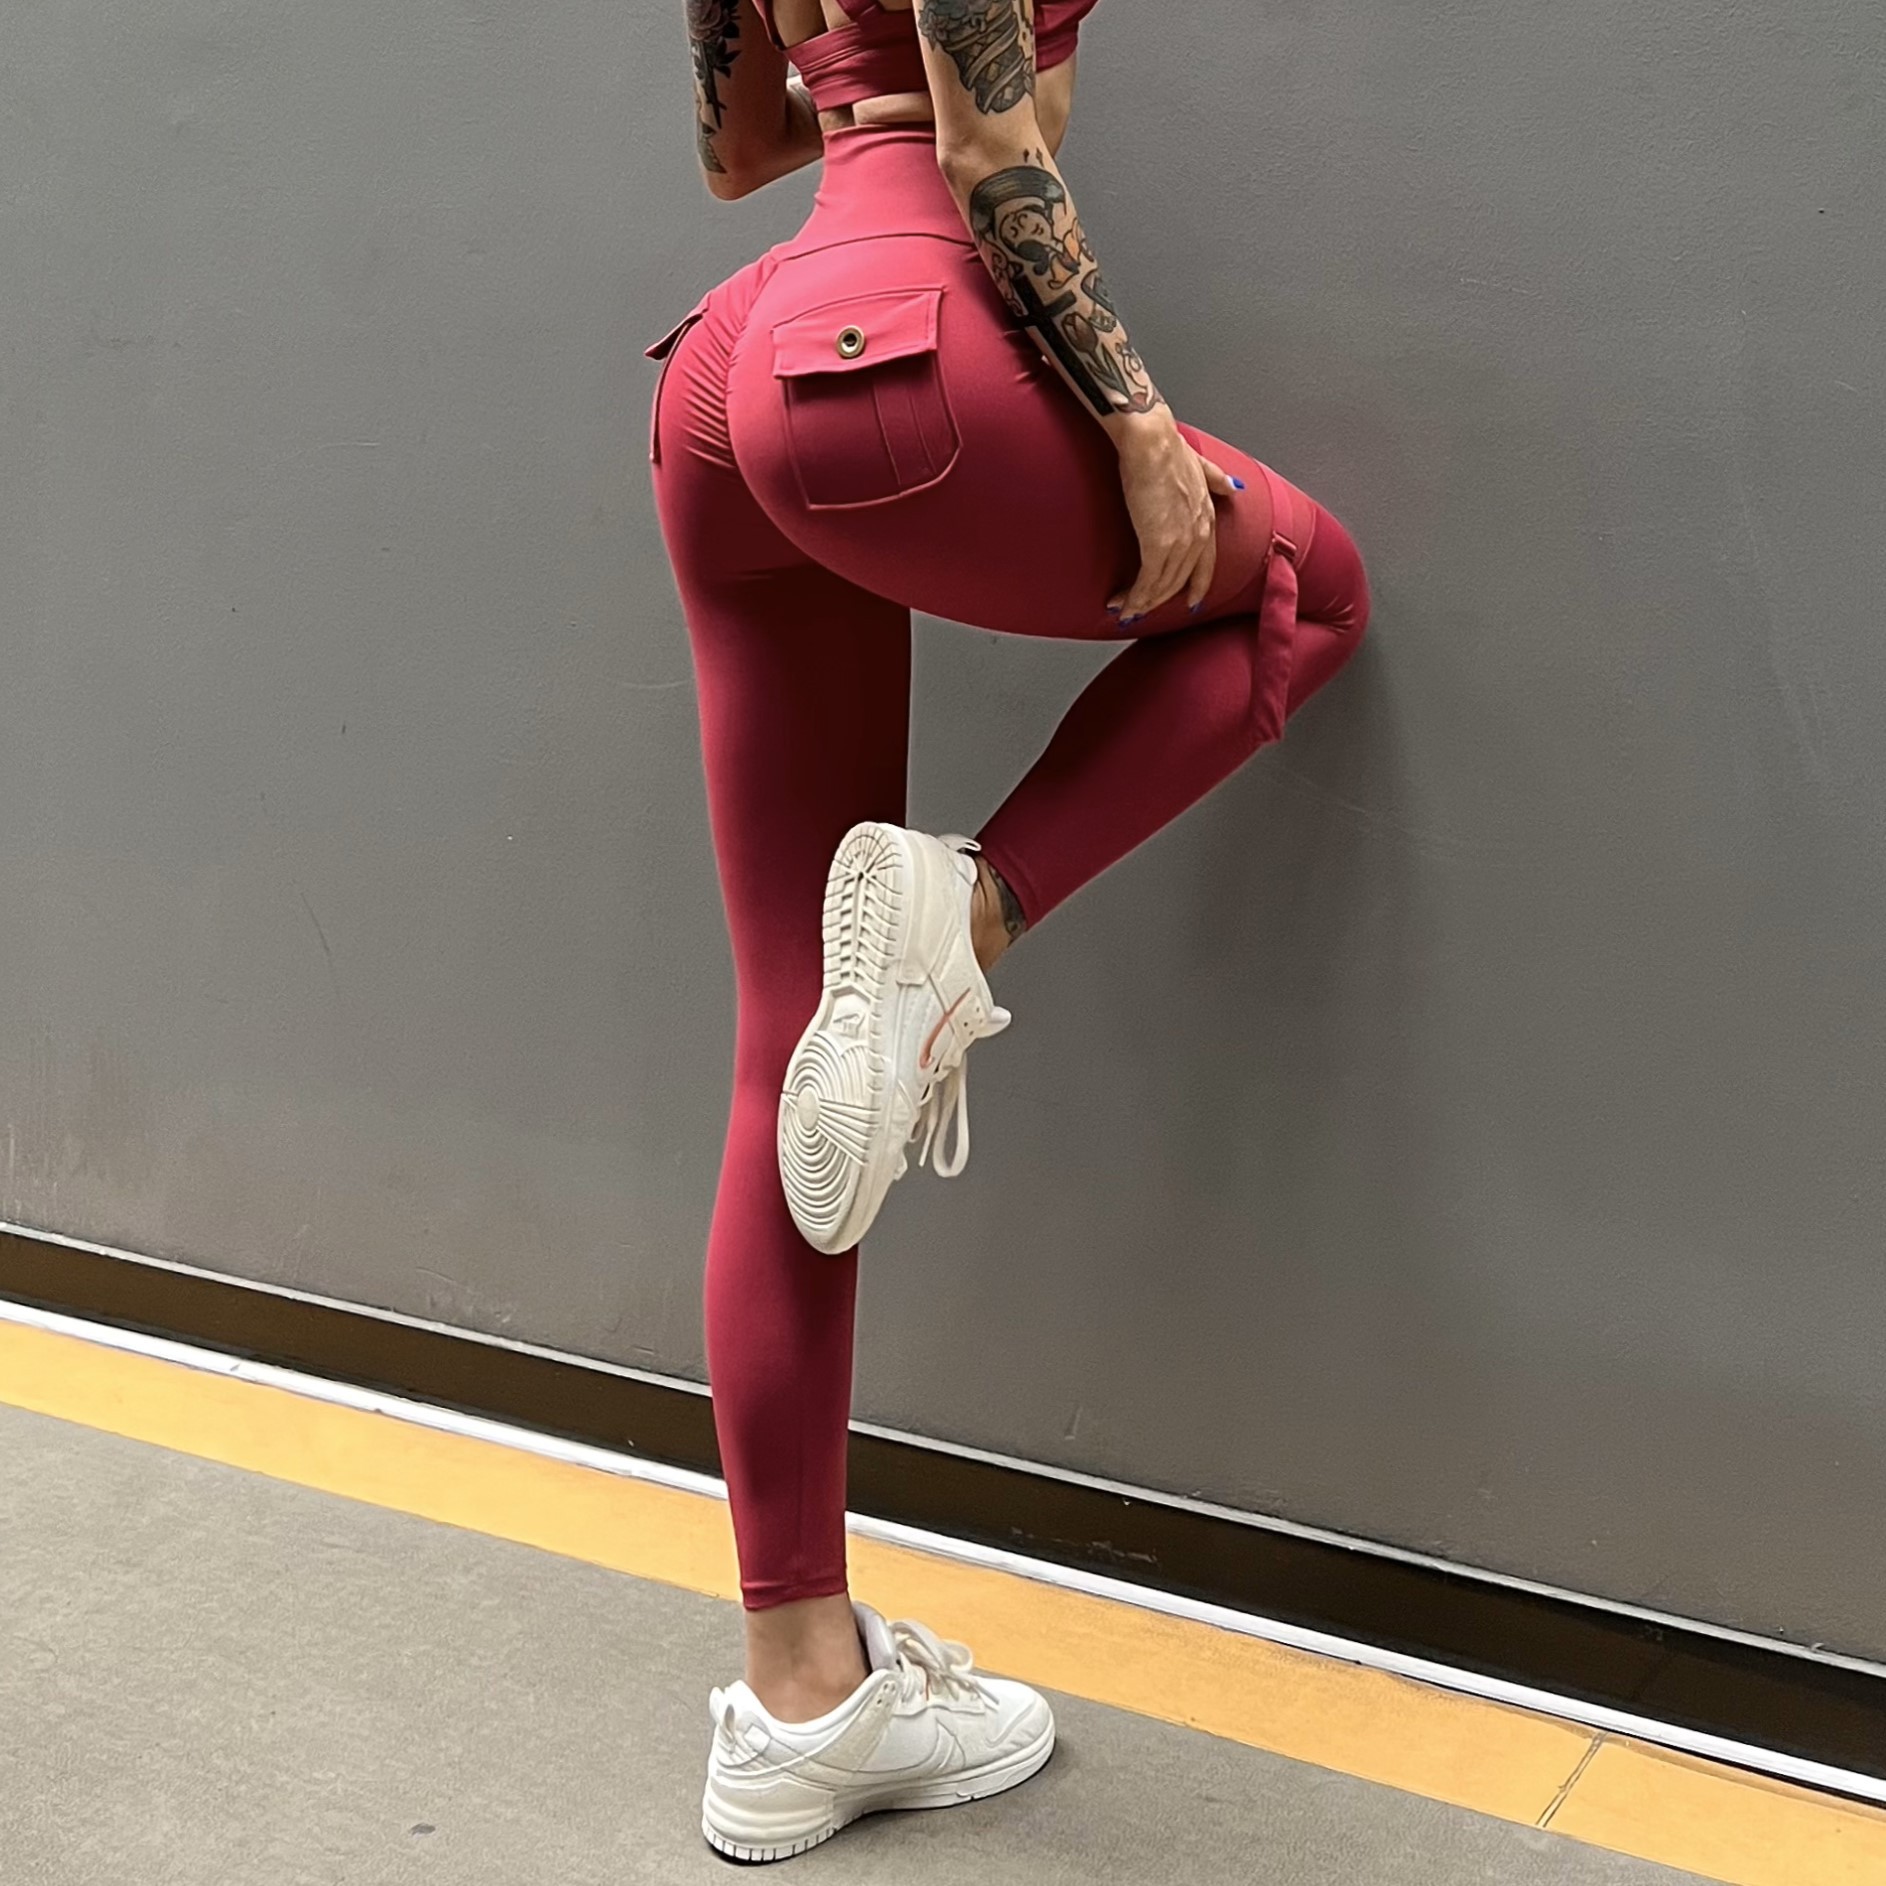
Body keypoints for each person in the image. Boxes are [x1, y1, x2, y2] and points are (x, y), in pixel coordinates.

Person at [648, 0, 1372, 1861]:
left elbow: (742, 149)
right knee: (1306, 585)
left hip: (726, 381)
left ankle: (797, 1703)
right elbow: (990, 147)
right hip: (907, 343)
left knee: (788, 1055)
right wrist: (1134, 424)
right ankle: (965, 909)